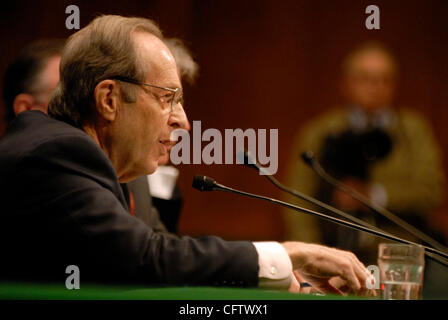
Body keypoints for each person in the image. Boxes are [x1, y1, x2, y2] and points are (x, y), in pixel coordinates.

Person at [0, 15, 371, 294]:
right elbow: (145, 258)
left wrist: (277, 273)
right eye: (167, 99)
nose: (184, 123)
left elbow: (161, 255)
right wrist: (287, 254)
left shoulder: (82, 160)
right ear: (109, 99)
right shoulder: (57, 154)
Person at [2, 38, 195, 237]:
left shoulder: (130, 174)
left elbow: (159, 249)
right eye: (62, 93)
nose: (81, 101)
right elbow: (138, 254)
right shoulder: (46, 165)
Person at [284, 42, 446, 263]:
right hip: (333, 252)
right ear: (346, 84)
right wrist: (314, 255)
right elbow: (298, 200)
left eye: (384, 80)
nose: (376, 87)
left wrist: (374, 196)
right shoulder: (322, 131)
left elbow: (431, 191)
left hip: (398, 255)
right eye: (366, 79)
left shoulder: (412, 131)